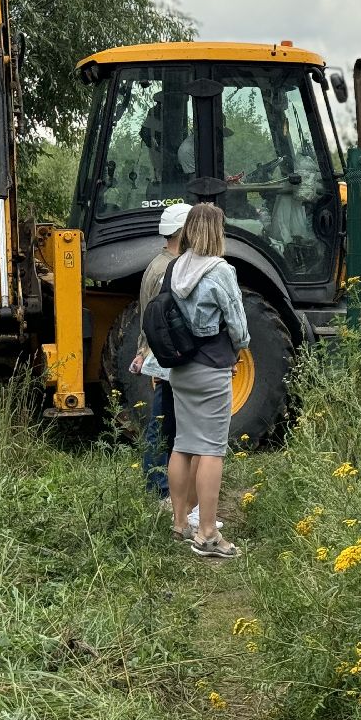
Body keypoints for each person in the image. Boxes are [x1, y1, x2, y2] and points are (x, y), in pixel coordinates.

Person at [166, 202, 249, 558]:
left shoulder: (175, 267)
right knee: (212, 449)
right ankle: (209, 533)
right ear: (217, 231)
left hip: (180, 368)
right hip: (211, 367)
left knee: (183, 444)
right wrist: (239, 348)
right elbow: (239, 327)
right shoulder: (220, 271)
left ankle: (180, 522)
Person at [130, 202, 190, 508]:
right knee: (163, 422)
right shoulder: (170, 269)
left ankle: (163, 483)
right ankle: (159, 487)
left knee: (166, 421)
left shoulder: (157, 263)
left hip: (157, 356)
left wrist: (143, 351)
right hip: (167, 359)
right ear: (183, 231)